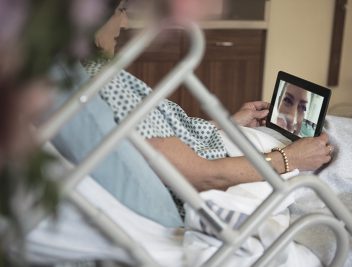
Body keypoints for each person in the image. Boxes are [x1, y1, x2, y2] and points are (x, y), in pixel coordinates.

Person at [85, 1, 333, 216]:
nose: (126, 22)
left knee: (333, 135)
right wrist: (290, 158)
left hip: (228, 144)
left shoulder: (93, 78)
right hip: (239, 166)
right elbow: (204, 175)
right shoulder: (103, 86)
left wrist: (229, 123)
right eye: (120, 10)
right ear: (91, 17)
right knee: (339, 148)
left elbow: (168, 135)